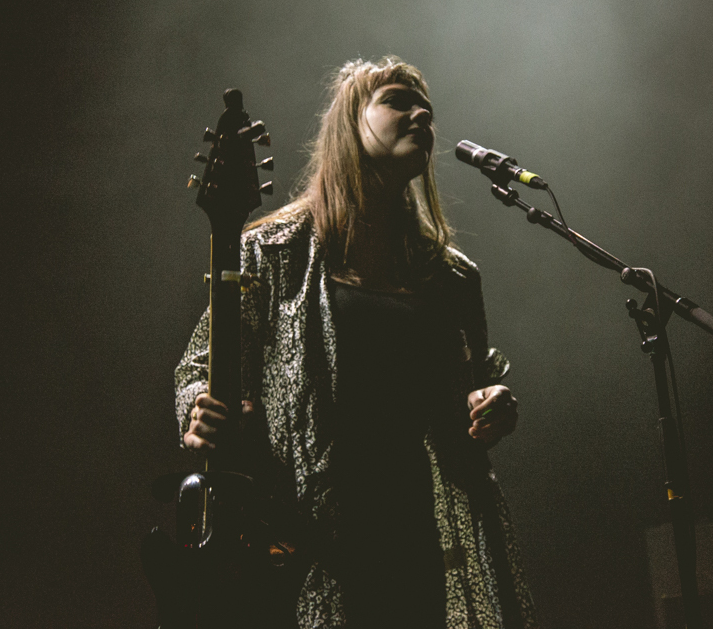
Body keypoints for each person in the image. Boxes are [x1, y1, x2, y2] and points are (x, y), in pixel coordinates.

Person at [175, 57, 536, 629]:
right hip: (304, 540)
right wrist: (197, 407)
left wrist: (489, 406)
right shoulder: (274, 252)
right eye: (397, 101)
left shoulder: (451, 279)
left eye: (428, 111)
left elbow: (463, 396)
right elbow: (199, 366)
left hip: (414, 536)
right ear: (350, 122)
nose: (421, 116)